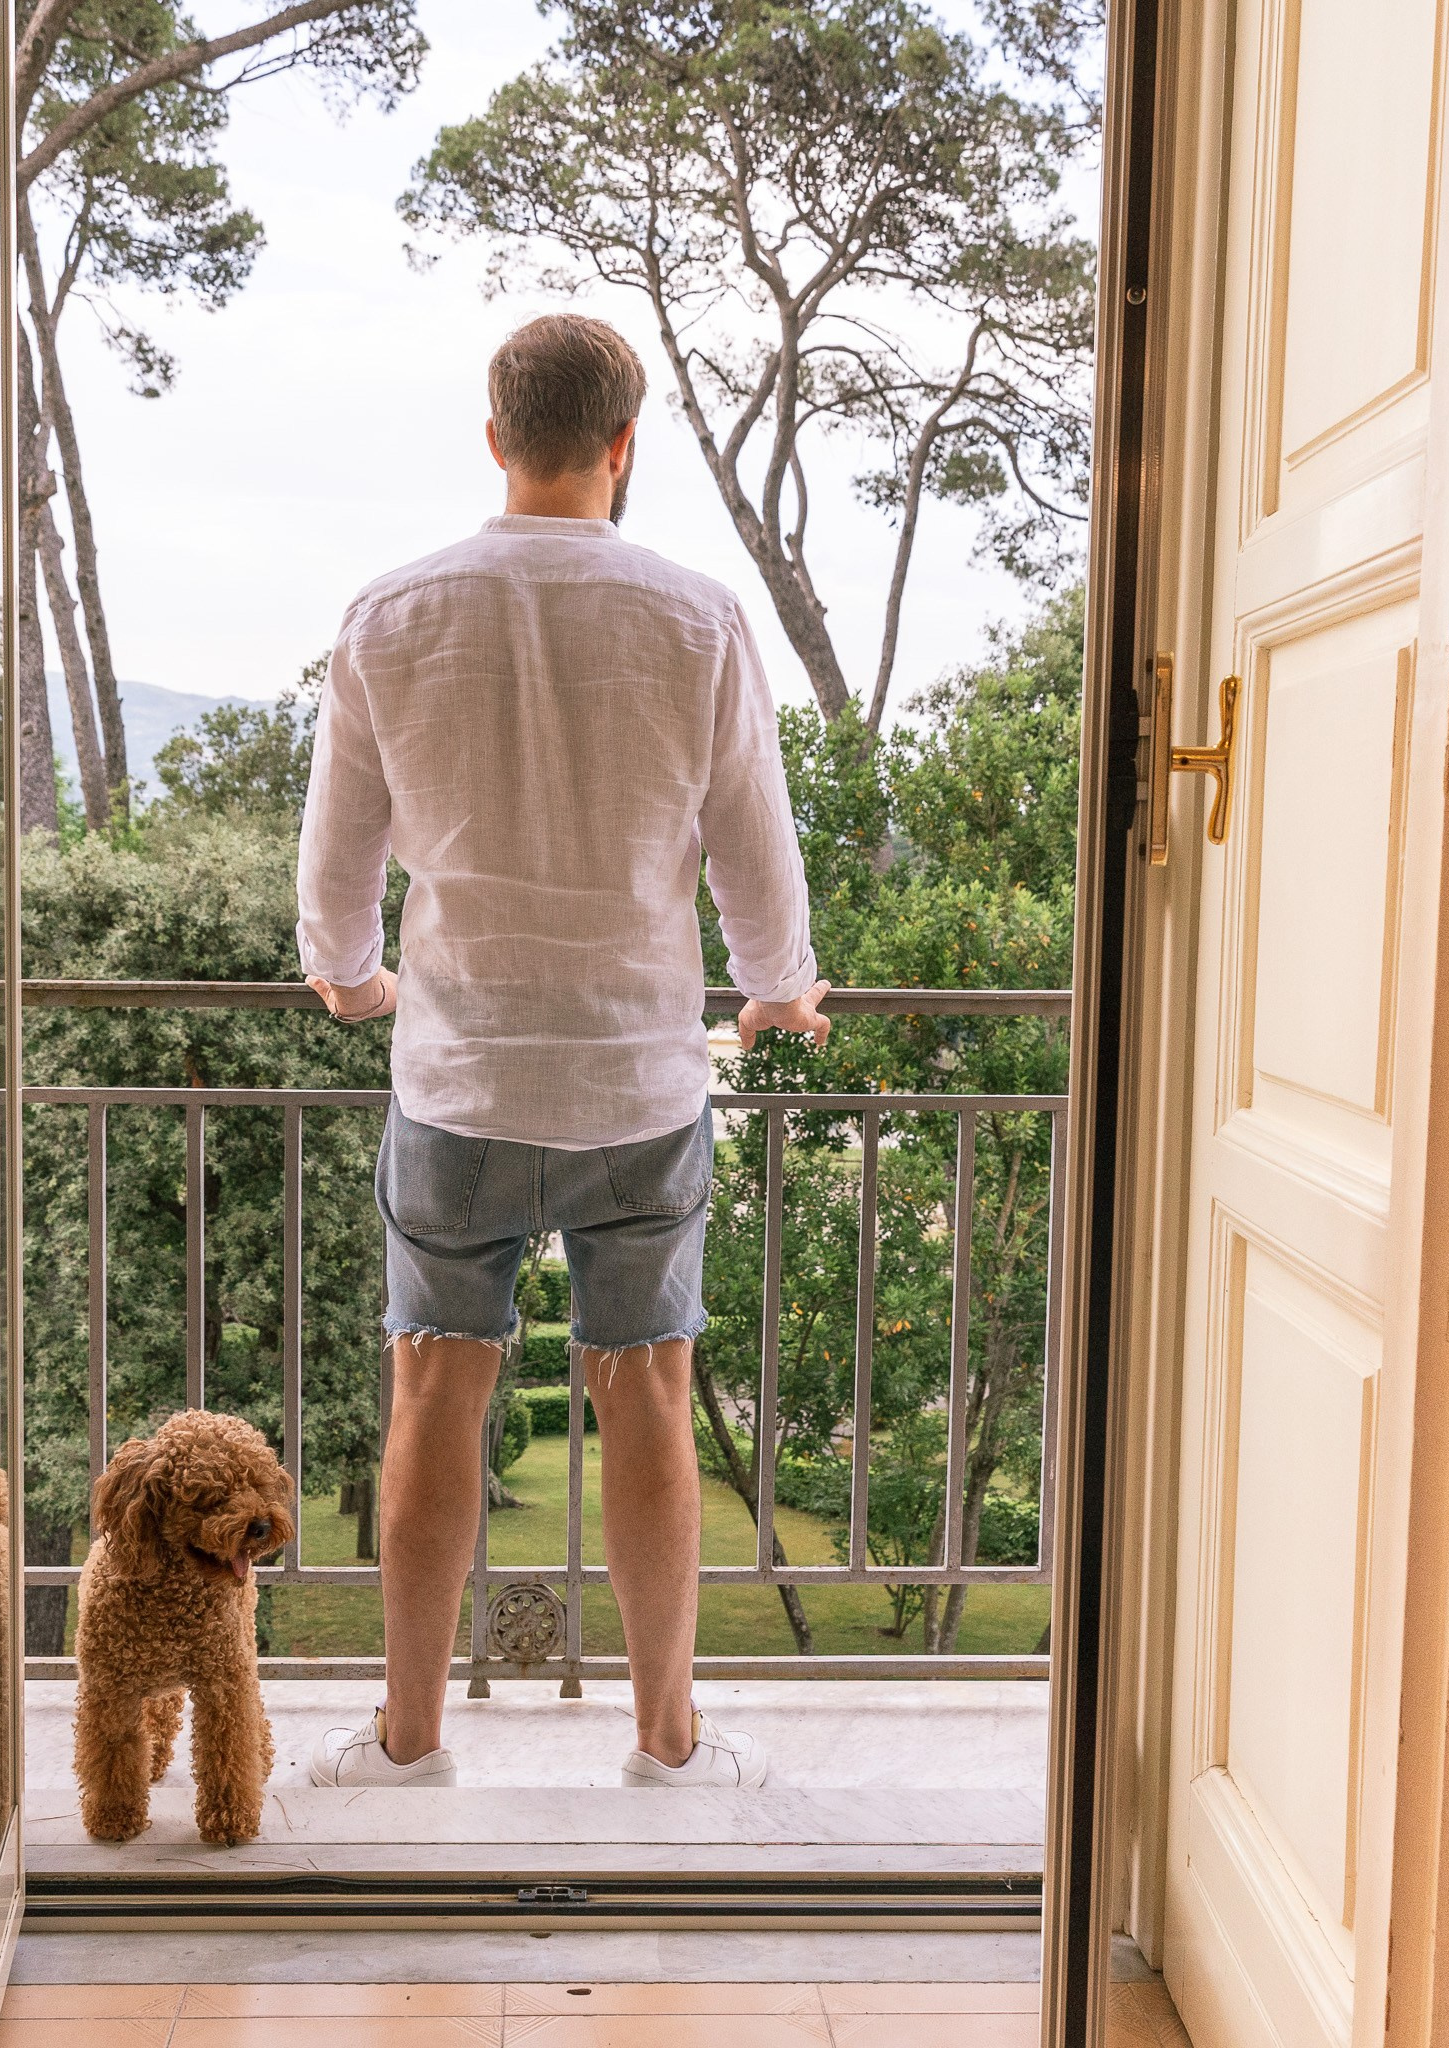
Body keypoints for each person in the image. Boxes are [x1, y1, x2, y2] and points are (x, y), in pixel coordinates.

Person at [294, 313, 829, 1791]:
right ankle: (667, 1741)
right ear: (622, 446)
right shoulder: (699, 616)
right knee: (647, 1389)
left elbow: (339, 861)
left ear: (494, 440)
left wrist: (347, 975)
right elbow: (751, 849)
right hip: (636, 1082)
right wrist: (777, 987)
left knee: (435, 1390)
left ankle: (410, 1740)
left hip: (459, 1074)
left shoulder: (390, 615)